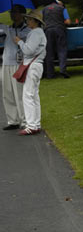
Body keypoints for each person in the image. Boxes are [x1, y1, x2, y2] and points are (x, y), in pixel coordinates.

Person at [14, 8, 46, 136]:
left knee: (28, 96)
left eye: (29, 19)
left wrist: (19, 42)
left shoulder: (35, 33)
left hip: (32, 66)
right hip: (36, 65)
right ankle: (35, 124)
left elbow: (29, 50)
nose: (27, 20)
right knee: (34, 95)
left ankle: (31, 125)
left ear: (34, 21)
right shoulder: (38, 32)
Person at [0, 5, 31, 130]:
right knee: (7, 93)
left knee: (19, 93)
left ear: (22, 14)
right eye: (11, 12)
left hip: (19, 64)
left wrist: (18, 36)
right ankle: (13, 120)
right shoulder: (8, 28)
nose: (12, 14)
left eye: (15, 12)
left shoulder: (27, 30)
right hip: (6, 62)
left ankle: (24, 120)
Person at [42, 0, 69, 78]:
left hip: (48, 31)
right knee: (62, 50)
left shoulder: (44, 9)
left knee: (49, 52)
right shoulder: (62, 8)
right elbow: (68, 22)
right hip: (59, 30)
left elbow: (42, 21)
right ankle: (62, 70)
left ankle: (50, 74)